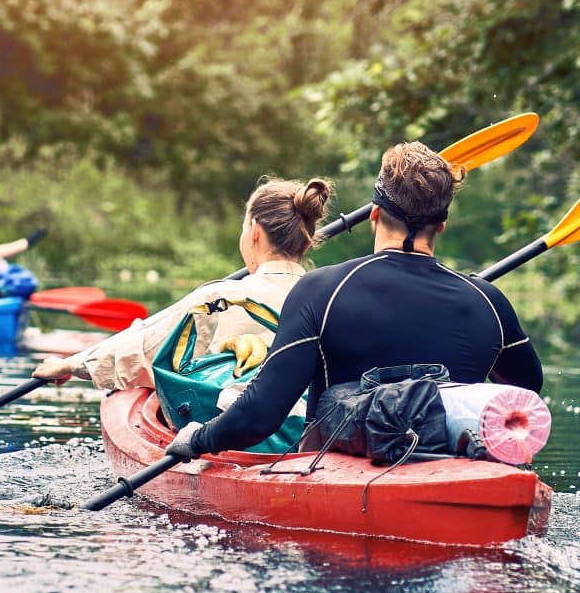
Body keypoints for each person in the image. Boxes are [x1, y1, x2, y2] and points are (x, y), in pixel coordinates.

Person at [164, 142, 543, 461]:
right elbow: (527, 387)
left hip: (338, 471)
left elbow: (260, 415)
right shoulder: (488, 301)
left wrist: (199, 439)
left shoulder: (321, 291)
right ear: (441, 225)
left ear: (375, 215)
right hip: (455, 465)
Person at [33, 177, 335, 390]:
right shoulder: (332, 299)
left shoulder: (221, 298)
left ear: (254, 232)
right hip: (306, 435)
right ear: (306, 242)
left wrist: (72, 365)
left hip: (230, 432)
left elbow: (145, 348)